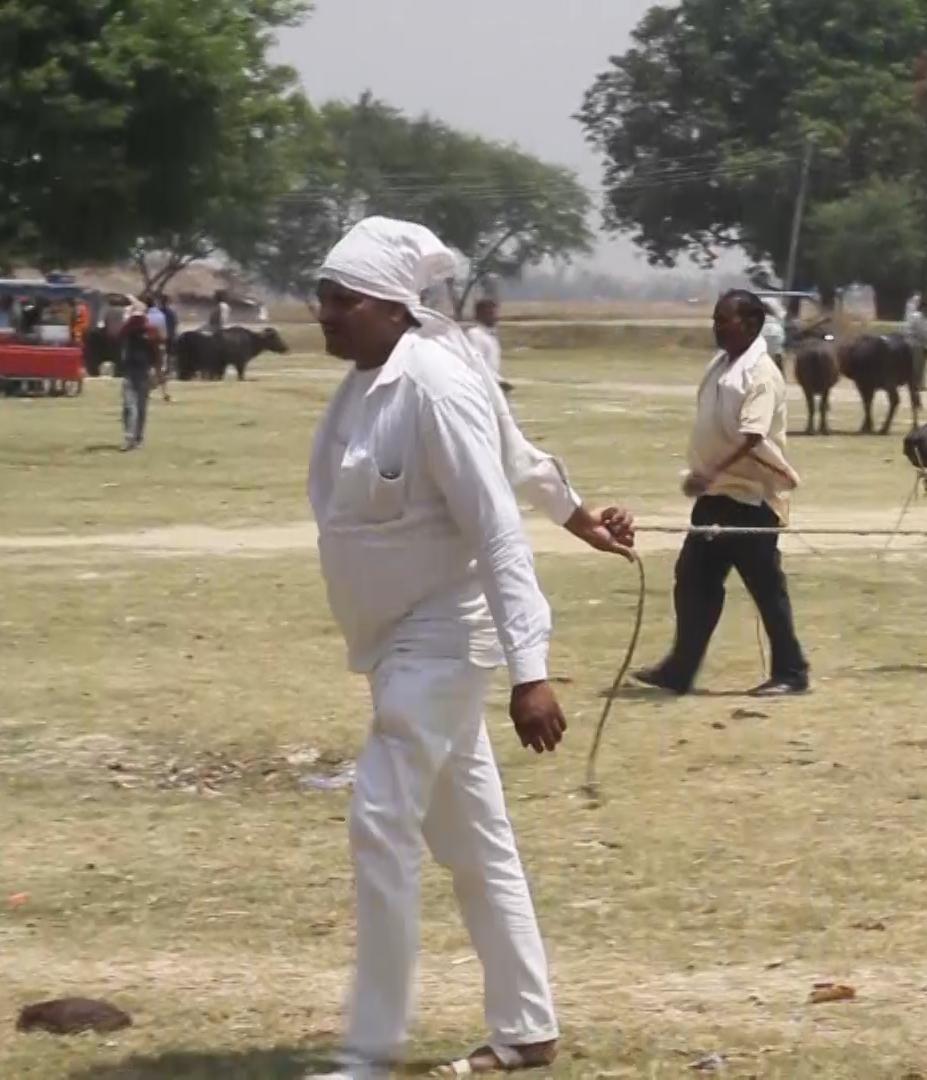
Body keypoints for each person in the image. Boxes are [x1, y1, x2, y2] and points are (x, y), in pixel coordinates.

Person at [303, 215, 637, 1080]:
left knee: (379, 814)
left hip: (444, 637)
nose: (323, 313)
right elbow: (519, 455)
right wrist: (580, 513)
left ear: (386, 306)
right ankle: (528, 1032)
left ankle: (369, 1050)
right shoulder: (362, 386)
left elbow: (495, 529)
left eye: (338, 300)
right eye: (323, 297)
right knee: (475, 841)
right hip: (391, 646)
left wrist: (532, 671)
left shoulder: (433, 387)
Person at [632, 289, 809, 697]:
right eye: (714, 319)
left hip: (751, 500)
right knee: (693, 578)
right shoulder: (722, 364)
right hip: (716, 495)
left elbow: (752, 437)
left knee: (766, 586)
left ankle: (791, 672)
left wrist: (711, 469)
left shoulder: (761, 374)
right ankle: (681, 668)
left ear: (750, 324)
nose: (715, 327)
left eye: (722, 320)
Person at [117, 301, 163, 450]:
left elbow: (157, 353)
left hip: (141, 371)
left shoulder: (148, 330)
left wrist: (158, 372)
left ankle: (135, 437)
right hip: (135, 371)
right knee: (133, 405)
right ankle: (133, 436)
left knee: (135, 405)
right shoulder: (134, 329)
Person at [467, 297, 510, 394]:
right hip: (482, 388)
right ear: (479, 315)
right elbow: (477, 363)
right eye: (490, 314)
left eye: (495, 313)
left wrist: (499, 380)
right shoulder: (475, 334)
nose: (495, 317)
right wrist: (496, 381)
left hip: (492, 385)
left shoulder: (490, 336)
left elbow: (491, 364)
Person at [906, 294, 927, 390]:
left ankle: (920, 384)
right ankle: (914, 384)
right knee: (916, 365)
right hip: (915, 344)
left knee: (923, 366)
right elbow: (910, 330)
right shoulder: (915, 317)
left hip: (926, 344)